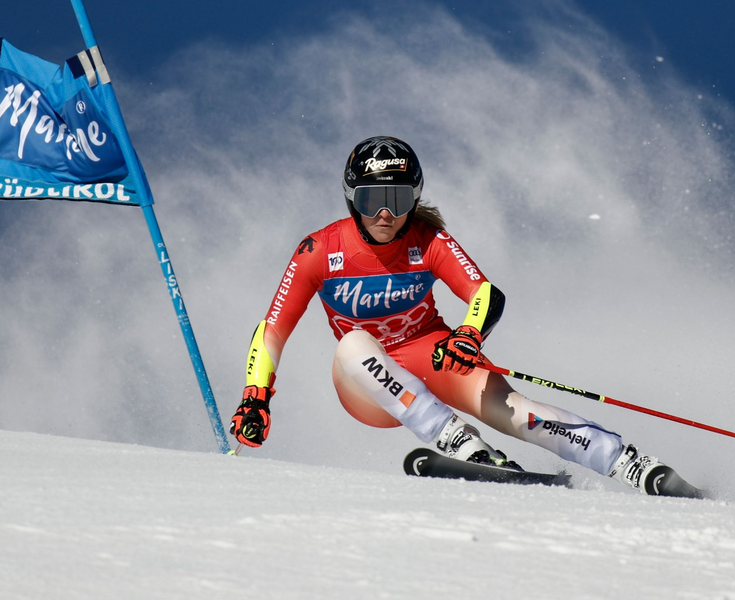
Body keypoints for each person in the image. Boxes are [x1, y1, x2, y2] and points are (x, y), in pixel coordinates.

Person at [230, 135, 701, 497]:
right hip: (367, 385)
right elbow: (272, 330)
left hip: (433, 355)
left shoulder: (428, 240)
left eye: (397, 200)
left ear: (414, 198)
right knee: (353, 344)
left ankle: (632, 465)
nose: (386, 214)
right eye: (373, 200)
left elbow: (485, 293)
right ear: (352, 198)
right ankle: (462, 444)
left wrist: (468, 336)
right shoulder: (319, 250)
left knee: (517, 412)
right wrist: (256, 396)